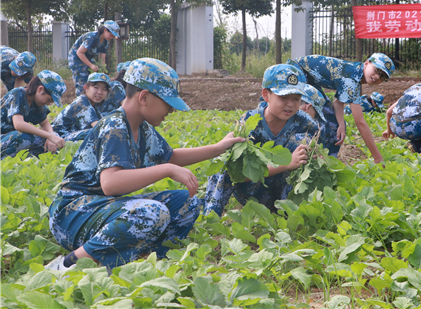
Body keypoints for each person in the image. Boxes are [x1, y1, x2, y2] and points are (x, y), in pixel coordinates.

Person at [46, 58, 244, 271]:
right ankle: (69, 264)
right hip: (72, 215)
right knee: (151, 212)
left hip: (105, 210)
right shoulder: (114, 126)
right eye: (168, 103)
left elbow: (171, 157)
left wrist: (219, 147)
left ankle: (146, 258)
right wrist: (166, 170)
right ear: (144, 97)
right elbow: (111, 184)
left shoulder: (143, 128)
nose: (171, 110)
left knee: (188, 201)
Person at [203, 64, 318, 217]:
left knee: (304, 146)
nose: (290, 104)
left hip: (285, 192)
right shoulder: (249, 122)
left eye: (296, 98)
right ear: (266, 95)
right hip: (252, 191)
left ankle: (290, 213)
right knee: (224, 161)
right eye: (283, 97)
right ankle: (210, 215)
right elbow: (238, 174)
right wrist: (286, 164)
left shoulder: (307, 124)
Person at [288, 53, 394, 163]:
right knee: (308, 112)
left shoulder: (355, 74)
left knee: (335, 125)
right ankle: (296, 155)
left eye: (383, 77)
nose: (378, 77)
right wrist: (377, 157)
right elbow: (360, 122)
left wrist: (341, 124)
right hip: (296, 72)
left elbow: (338, 102)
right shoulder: (352, 78)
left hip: (308, 79)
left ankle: (325, 162)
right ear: (367, 63)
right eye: (377, 70)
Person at [1, 70, 66, 159]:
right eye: (49, 99)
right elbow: (19, 124)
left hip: (8, 139)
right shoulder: (17, 93)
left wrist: (51, 135)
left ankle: (27, 159)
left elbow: (45, 123)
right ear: (40, 89)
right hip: (4, 137)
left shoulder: (36, 103)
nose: (49, 104)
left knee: (55, 139)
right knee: (24, 137)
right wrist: (49, 135)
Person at [52, 73, 111, 142]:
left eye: (104, 89)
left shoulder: (93, 105)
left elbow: (103, 124)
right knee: (94, 133)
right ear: (86, 88)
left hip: (67, 137)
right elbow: (99, 127)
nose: (100, 92)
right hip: (56, 139)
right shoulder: (82, 103)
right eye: (96, 87)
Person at [68, 21, 119, 95]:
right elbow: (79, 52)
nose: (112, 37)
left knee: (92, 80)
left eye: (113, 36)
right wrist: (91, 65)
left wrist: (102, 73)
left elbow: (102, 59)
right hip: (76, 58)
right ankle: (81, 100)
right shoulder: (92, 37)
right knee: (82, 81)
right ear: (105, 30)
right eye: (111, 34)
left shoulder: (105, 43)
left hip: (88, 58)